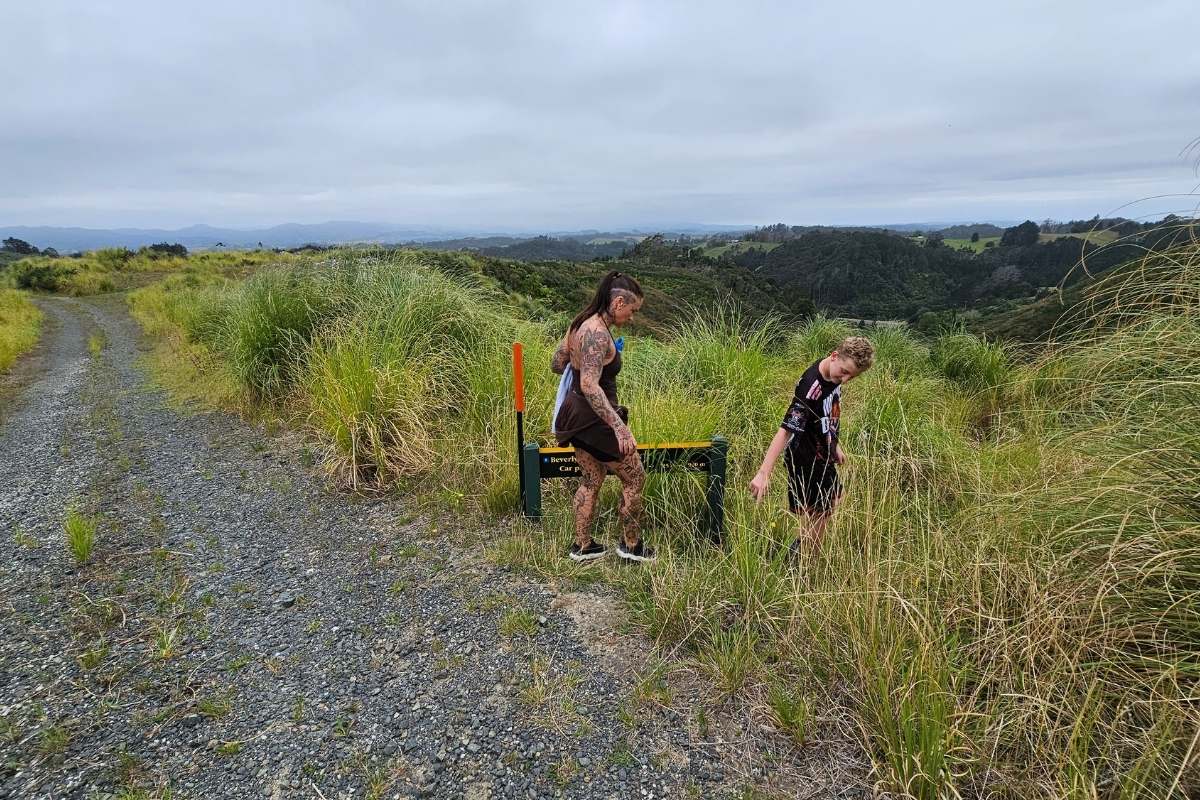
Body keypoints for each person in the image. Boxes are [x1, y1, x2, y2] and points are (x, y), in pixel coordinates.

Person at [551, 271, 655, 563]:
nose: (632, 318)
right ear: (618, 302)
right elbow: (589, 385)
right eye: (632, 311)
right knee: (635, 477)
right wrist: (620, 429)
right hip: (593, 419)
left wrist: (591, 359)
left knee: (592, 479)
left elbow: (557, 363)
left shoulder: (580, 324)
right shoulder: (597, 332)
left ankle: (582, 546)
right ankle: (631, 545)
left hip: (573, 416)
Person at [749, 336, 875, 552]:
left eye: (851, 377)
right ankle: (802, 559)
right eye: (844, 372)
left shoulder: (833, 375)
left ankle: (798, 550)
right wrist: (763, 473)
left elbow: (826, 415)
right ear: (835, 356)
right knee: (821, 512)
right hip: (806, 456)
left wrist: (833, 444)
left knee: (834, 500)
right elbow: (785, 430)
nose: (844, 380)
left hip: (823, 452)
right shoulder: (810, 387)